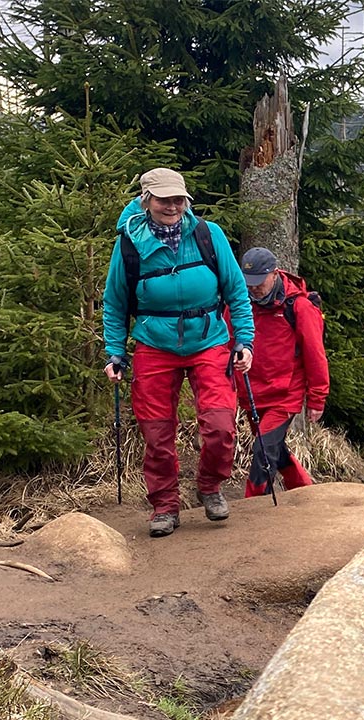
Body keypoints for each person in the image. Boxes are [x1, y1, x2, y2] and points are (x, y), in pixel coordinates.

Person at [102, 168, 254, 537]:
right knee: (156, 433)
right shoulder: (129, 244)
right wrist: (115, 352)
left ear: (186, 200)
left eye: (177, 199)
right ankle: (165, 506)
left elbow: (236, 290)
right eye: (163, 199)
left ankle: (210, 485)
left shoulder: (207, 235)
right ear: (146, 200)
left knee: (220, 425)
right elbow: (115, 303)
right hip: (155, 344)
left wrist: (244, 341)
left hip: (209, 340)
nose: (171, 206)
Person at [236, 246, 329, 496]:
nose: (253, 288)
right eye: (248, 282)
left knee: (262, 451)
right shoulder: (241, 304)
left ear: (274, 274)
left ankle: (254, 508)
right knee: (272, 448)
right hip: (253, 394)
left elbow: (315, 354)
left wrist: (317, 398)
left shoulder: (299, 306)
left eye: (258, 282)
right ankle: (305, 491)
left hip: (285, 395)